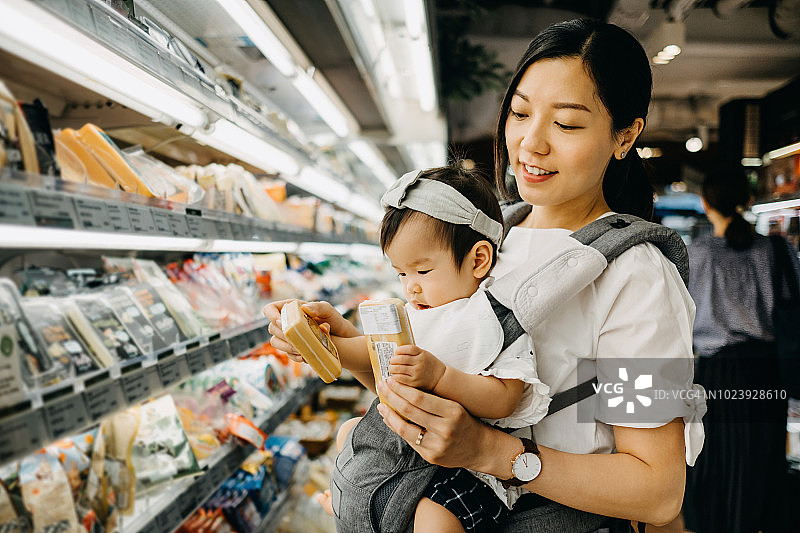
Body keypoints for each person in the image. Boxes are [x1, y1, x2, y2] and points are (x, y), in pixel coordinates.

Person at [265, 18, 704, 532]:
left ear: (625, 135)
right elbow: (437, 385)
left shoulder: (635, 276)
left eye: (566, 124)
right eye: (519, 113)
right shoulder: (494, 238)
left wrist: (494, 453)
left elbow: (656, 490)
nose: (530, 143)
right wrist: (353, 350)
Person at [306, 163, 552, 532]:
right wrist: (324, 341)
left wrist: (441, 376)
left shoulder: (496, 320)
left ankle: (366, 503)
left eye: (422, 271)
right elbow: (374, 355)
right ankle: (353, 500)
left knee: (435, 520)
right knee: (350, 432)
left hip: (469, 469)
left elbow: (505, 399)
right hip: (410, 451)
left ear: (478, 260)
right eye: (401, 273)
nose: (410, 288)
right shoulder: (419, 312)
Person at [682, 168, 792, 533]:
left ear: (705, 203)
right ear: (746, 200)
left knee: (716, 461)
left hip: (717, 372)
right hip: (768, 368)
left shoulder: (695, 255)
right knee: (763, 458)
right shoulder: (777, 250)